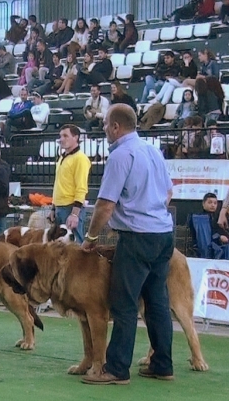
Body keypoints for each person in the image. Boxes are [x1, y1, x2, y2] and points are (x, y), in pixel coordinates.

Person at [81, 103, 175, 385]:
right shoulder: (152, 150)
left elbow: (105, 205)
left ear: (115, 127)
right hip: (163, 233)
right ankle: (162, 364)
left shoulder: (121, 155)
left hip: (137, 237)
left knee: (123, 304)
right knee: (157, 301)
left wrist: (91, 238)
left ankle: (117, 369)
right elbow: (169, 193)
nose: (104, 129)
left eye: (105, 124)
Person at [48, 124, 91, 243]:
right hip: (59, 207)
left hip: (71, 207)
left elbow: (81, 187)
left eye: (65, 136)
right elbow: (58, 184)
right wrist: (53, 207)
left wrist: (75, 214)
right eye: (60, 136)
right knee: (58, 246)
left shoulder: (80, 158)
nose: (61, 139)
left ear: (76, 137)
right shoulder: (62, 157)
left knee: (75, 245)